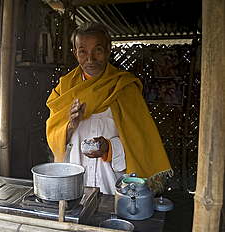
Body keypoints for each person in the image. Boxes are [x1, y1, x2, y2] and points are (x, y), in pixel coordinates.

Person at [46, 22, 172, 194]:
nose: (90, 59)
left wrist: (109, 149)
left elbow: (139, 143)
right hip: (74, 187)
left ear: (108, 50)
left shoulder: (124, 87)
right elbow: (54, 141)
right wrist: (69, 127)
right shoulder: (64, 90)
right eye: (83, 51)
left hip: (113, 187)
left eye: (97, 50)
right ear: (75, 54)